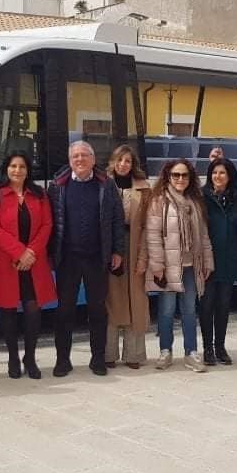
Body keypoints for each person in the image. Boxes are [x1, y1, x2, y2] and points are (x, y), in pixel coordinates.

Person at [47, 140, 125, 377]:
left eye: (84, 155)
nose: (79, 159)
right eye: (75, 156)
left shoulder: (106, 185)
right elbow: (50, 223)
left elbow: (117, 220)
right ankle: (63, 360)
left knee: (97, 310)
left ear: (93, 159)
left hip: (96, 258)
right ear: (70, 161)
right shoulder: (57, 186)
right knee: (65, 312)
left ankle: (98, 359)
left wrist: (117, 251)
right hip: (67, 259)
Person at [0, 151, 55, 380]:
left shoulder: (39, 194)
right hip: (8, 262)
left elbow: (47, 225)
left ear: (28, 170)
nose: (17, 170)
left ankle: (30, 358)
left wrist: (31, 252)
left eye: (22, 166)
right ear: (6, 169)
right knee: (8, 311)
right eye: (13, 166)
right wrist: (19, 252)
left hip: (34, 262)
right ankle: (13, 357)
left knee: (33, 310)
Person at [147, 158, 214, 372]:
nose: (180, 179)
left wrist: (207, 261)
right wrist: (157, 265)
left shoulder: (195, 202)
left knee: (188, 310)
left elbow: (203, 235)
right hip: (168, 266)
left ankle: (191, 353)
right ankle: (165, 351)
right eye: (176, 175)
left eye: (185, 175)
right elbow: (153, 236)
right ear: (168, 176)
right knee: (166, 311)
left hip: (190, 266)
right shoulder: (159, 201)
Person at [104, 145, 151, 370]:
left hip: (135, 248)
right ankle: (108, 354)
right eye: (120, 160)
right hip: (111, 247)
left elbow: (150, 226)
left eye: (128, 161)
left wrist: (144, 256)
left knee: (136, 301)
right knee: (111, 301)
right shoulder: (102, 185)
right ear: (113, 162)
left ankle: (134, 355)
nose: (124, 164)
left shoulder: (144, 189)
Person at [199, 157, 237, 365]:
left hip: (229, 259)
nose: (218, 176)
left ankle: (220, 347)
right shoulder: (202, 196)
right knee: (206, 305)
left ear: (229, 176)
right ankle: (207, 348)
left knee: (223, 305)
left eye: (222, 173)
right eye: (214, 173)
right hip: (208, 260)